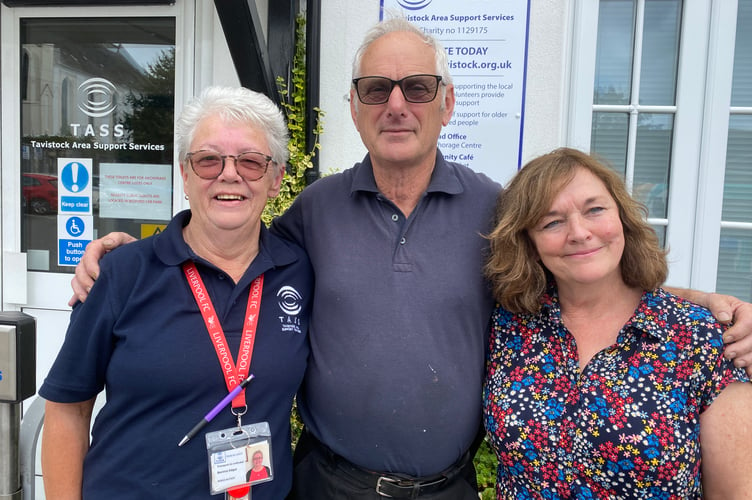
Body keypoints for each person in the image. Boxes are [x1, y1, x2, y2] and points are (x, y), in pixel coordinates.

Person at [69, 18, 752, 500]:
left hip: (447, 489)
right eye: (376, 90)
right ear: (356, 109)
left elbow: (581, 272)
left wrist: (696, 304)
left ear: (447, 102)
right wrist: (123, 256)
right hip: (326, 483)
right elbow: (228, 260)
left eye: (417, 88)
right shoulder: (314, 210)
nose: (397, 104)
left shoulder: (498, 210)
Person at [40, 86, 312, 499]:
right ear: (184, 174)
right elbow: (67, 410)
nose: (229, 174)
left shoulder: (300, 272)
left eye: (251, 162)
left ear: (275, 180)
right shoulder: (123, 273)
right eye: (208, 160)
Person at [483, 147, 752, 498]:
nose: (579, 233)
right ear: (530, 244)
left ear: (622, 218)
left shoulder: (702, 338)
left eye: (595, 210)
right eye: (552, 222)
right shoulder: (510, 326)